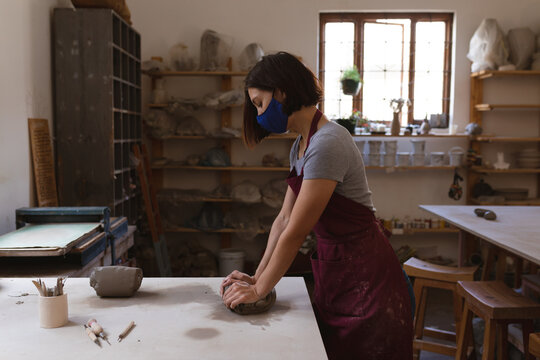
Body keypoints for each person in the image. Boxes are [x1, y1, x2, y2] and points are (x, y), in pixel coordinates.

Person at [220, 52, 413, 360]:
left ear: (281, 91)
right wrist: (258, 277)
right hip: (338, 270)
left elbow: (297, 230)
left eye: (259, 103)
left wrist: (260, 291)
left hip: (366, 277)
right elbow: (283, 219)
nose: (258, 114)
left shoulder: (328, 142)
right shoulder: (301, 145)